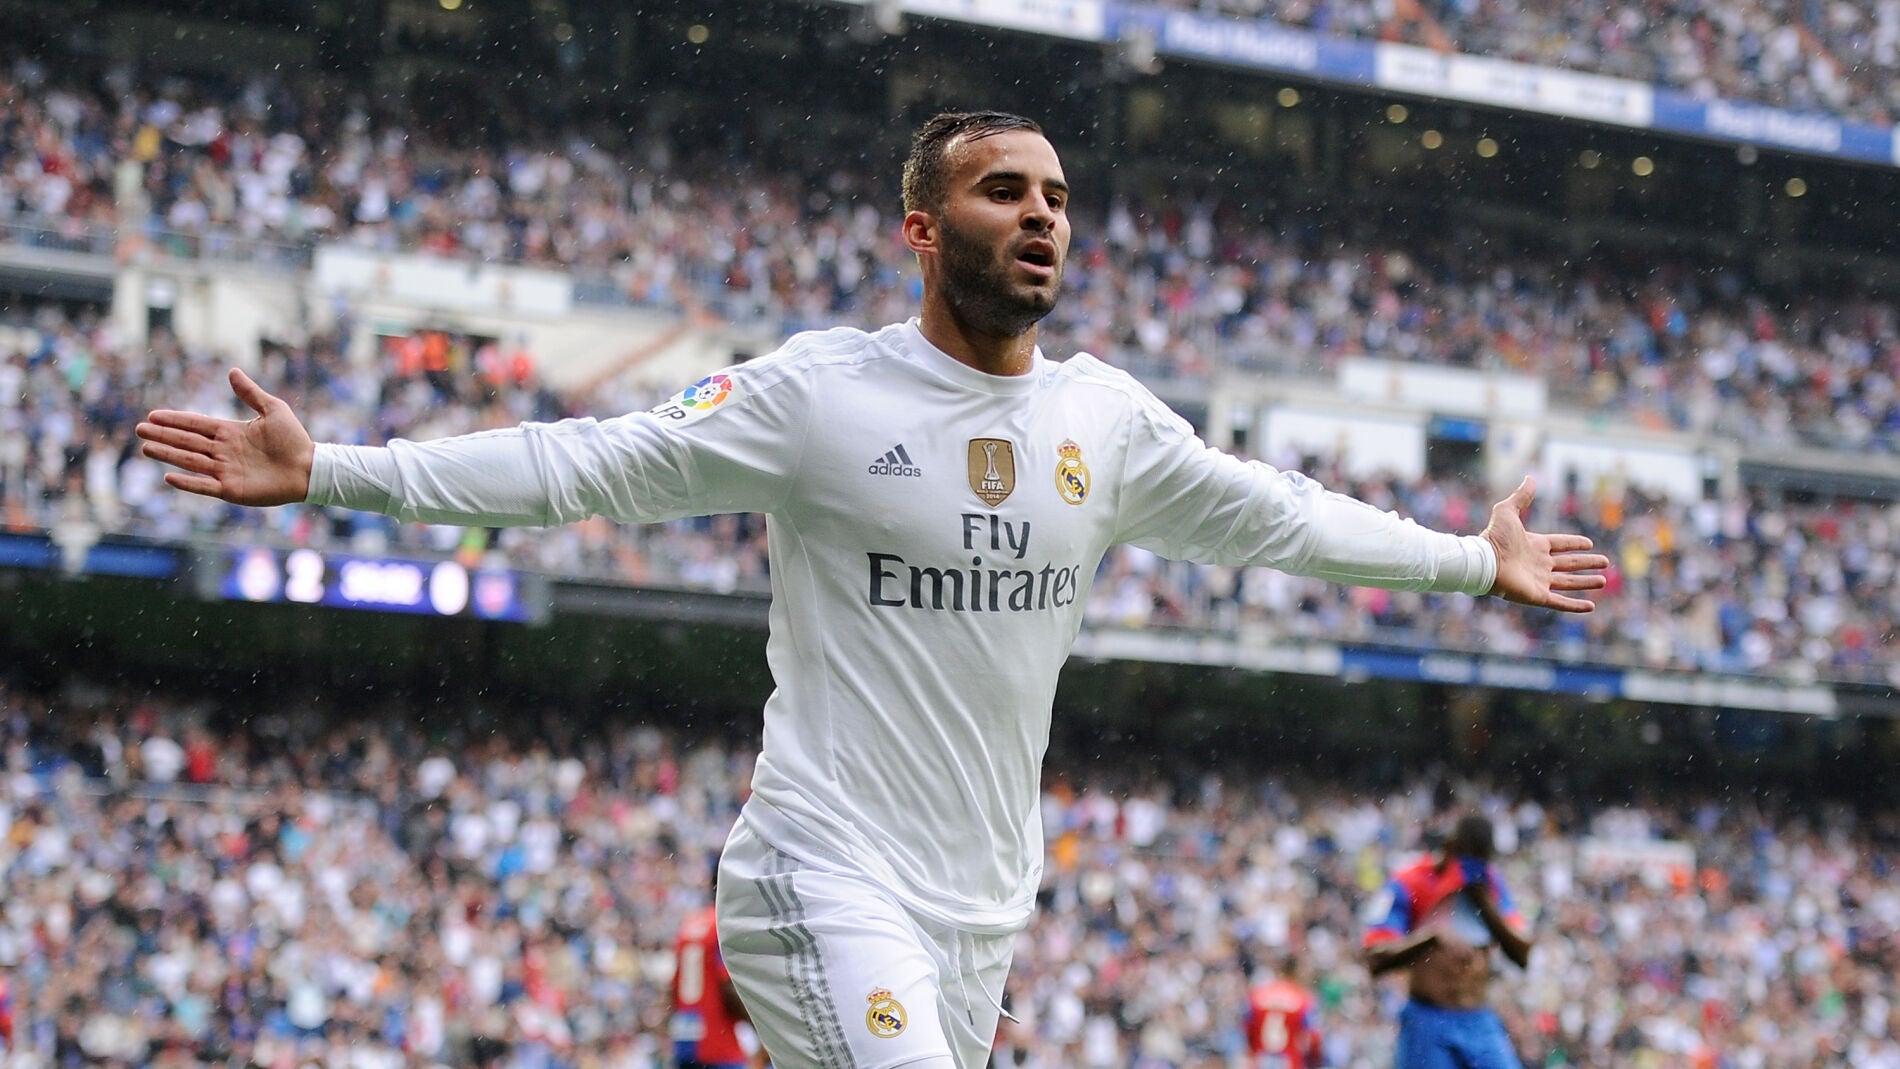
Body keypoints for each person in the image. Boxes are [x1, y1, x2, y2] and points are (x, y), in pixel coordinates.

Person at [137, 111, 1607, 1069]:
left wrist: (1476, 560)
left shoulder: (1106, 421)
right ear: (922, 229)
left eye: (1057, 196)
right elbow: (586, 458)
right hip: (816, 876)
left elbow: (1280, 516)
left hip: (981, 914)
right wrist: (335, 468)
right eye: (1001, 191)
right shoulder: (821, 394)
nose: (1041, 215)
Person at [1362, 814, 1531, 1069]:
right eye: (1467, 858)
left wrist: (1483, 902)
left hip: (1478, 1019)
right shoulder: (1411, 881)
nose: (1472, 867)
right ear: (1449, 847)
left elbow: (1522, 953)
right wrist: (1430, 938)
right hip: (1428, 1020)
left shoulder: (1490, 882)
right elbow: (1375, 957)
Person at [672, 881, 761, 1069]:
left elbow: (674, 987)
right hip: (718, 1038)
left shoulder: (690, 925)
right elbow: (727, 987)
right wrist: (761, 1029)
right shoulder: (722, 926)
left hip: (686, 1037)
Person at [1244, 956, 1325, 1068]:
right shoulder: (1304, 999)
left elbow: (1247, 1027)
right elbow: (1314, 1036)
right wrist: (1315, 1061)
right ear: (1296, 972)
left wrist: (1253, 1049)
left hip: (1260, 1060)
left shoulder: (1257, 995)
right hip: (1290, 1061)